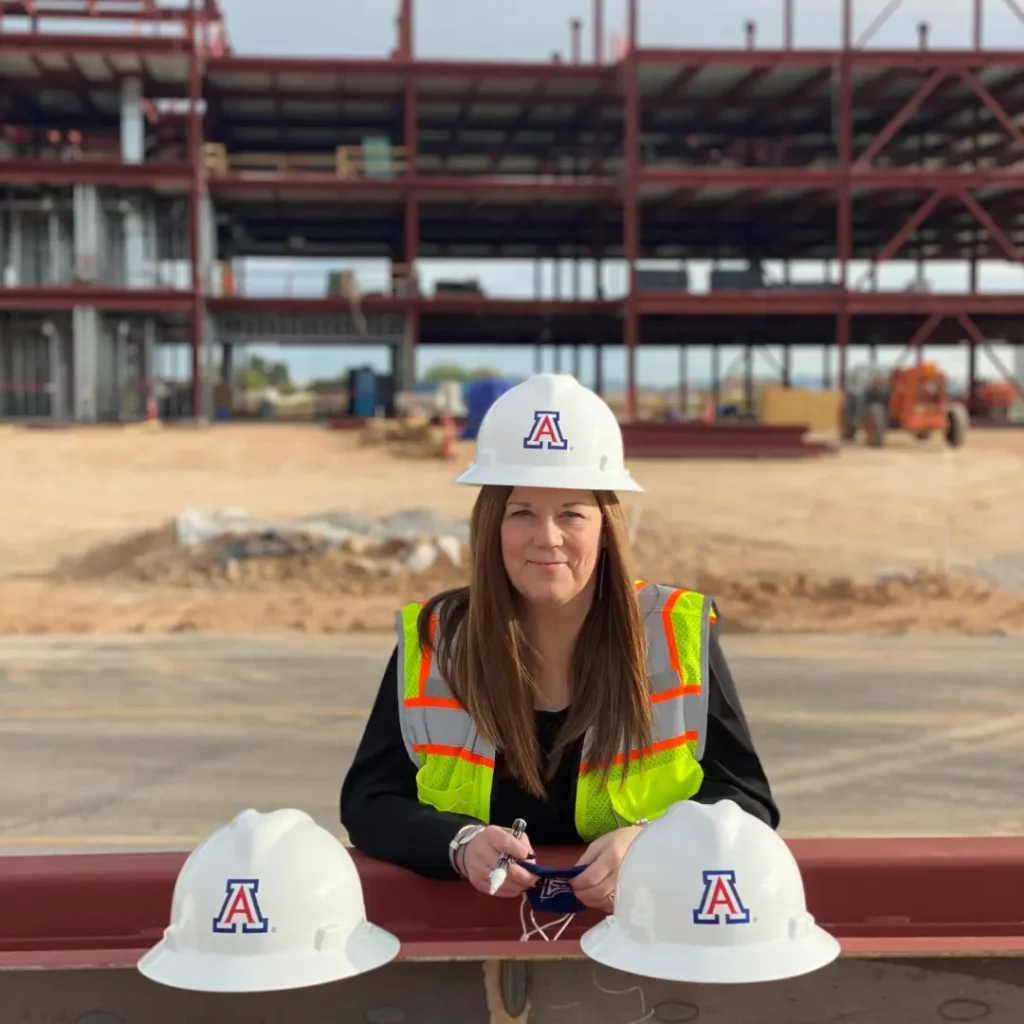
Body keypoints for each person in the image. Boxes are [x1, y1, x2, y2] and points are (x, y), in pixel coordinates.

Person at [340, 373, 778, 914]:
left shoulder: (675, 632)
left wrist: (651, 842)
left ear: (605, 526)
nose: (546, 538)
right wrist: (458, 845)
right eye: (522, 512)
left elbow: (749, 804)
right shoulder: (438, 639)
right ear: (491, 525)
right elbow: (369, 803)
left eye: (571, 512)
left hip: (644, 945)